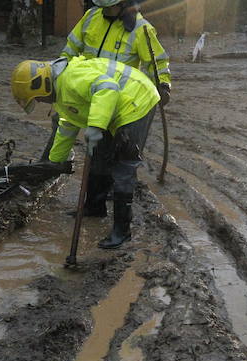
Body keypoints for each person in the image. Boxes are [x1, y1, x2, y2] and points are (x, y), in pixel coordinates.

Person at [11, 56, 159, 249]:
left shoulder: (71, 79)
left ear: (43, 85)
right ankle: (94, 207)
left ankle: (122, 232)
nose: (39, 101)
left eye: (37, 98)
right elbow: (67, 124)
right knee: (99, 157)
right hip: (112, 107)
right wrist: (55, 161)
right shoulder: (60, 94)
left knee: (123, 165)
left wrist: (96, 126)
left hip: (137, 101)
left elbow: (108, 88)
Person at [55, 0, 171, 216]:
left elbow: (156, 61)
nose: (104, 12)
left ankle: (112, 201)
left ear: (124, 5)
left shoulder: (140, 29)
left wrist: (163, 85)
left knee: (118, 153)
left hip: (120, 102)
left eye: (110, 7)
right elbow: (71, 47)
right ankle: (94, 205)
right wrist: (61, 75)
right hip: (87, 93)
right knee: (94, 150)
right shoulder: (91, 17)